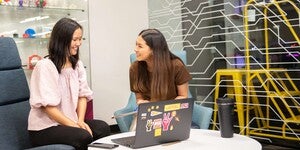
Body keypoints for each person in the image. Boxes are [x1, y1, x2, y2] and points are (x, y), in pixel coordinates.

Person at [27, 17, 110, 150]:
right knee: (82, 136)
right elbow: (48, 107)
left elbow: (82, 95)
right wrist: (74, 126)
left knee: (102, 128)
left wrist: (80, 121)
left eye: (80, 39)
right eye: (75, 39)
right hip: (44, 128)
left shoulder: (77, 65)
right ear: (62, 40)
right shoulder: (45, 66)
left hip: (70, 121)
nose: (79, 43)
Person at [129, 28, 191, 130]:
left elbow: (183, 96)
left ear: (154, 49)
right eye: (136, 44)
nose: (135, 49)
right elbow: (139, 98)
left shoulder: (176, 65)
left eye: (140, 46)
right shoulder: (135, 68)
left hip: (172, 113)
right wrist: (142, 102)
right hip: (148, 114)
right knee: (136, 135)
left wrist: (164, 112)